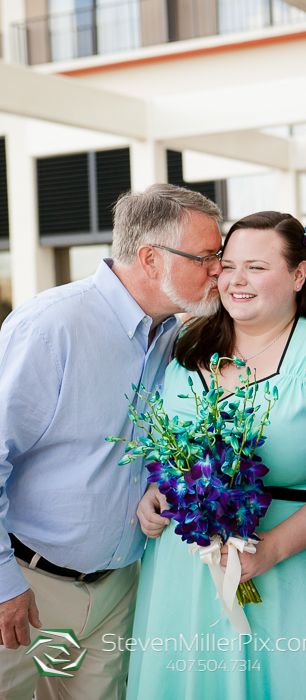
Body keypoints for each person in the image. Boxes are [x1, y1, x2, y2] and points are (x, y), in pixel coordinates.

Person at [0, 183, 222, 700]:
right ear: (150, 259)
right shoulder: (52, 326)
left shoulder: (174, 334)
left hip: (119, 589)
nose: (219, 268)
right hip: (29, 588)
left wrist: (157, 485)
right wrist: (4, 586)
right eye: (207, 256)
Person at [127, 211, 306, 700]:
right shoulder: (188, 344)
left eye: (256, 267)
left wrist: (271, 548)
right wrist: (160, 488)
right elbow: (174, 444)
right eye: (227, 265)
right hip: (182, 565)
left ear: (300, 275)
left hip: (284, 567)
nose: (235, 280)